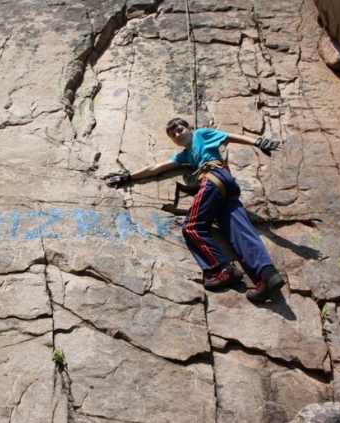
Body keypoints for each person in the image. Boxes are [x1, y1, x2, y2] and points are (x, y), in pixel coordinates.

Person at [104, 117, 284, 302]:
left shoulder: (201, 134)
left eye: (180, 130)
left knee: (191, 226)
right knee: (242, 233)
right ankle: (268, 276)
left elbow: (229, 137)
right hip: (227, 190)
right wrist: (128, 176)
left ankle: (223, 269)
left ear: (190, 129)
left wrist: (258, 141)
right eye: (173, 135)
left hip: (214, 178)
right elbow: (156, 168)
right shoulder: (185, 156)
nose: (177, 135)